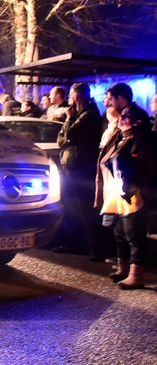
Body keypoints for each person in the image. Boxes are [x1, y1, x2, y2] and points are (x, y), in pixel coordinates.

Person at [96, 83, 154, 289]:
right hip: (119, 192)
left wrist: (129, 186)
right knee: (119, 230)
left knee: (134, 233)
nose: (121, 118)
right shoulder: (123, 137)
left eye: (125, 117)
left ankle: (136, 275)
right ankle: (123, 268)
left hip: (133, 192)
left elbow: (138, 166)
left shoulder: (139, 139)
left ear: (136, 122)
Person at [54, 82, 103, 257]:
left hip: (81, 167)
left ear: (77, 96)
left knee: (84, 207)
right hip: (71, 166)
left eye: (70, 95)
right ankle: (74, 242)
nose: (68, 99)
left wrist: (68, 119)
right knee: (71, 206)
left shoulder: (89, 114)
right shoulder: (78, 114)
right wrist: (69, 126)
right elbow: (61, 140)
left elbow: (70, 135)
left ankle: (94, 246)